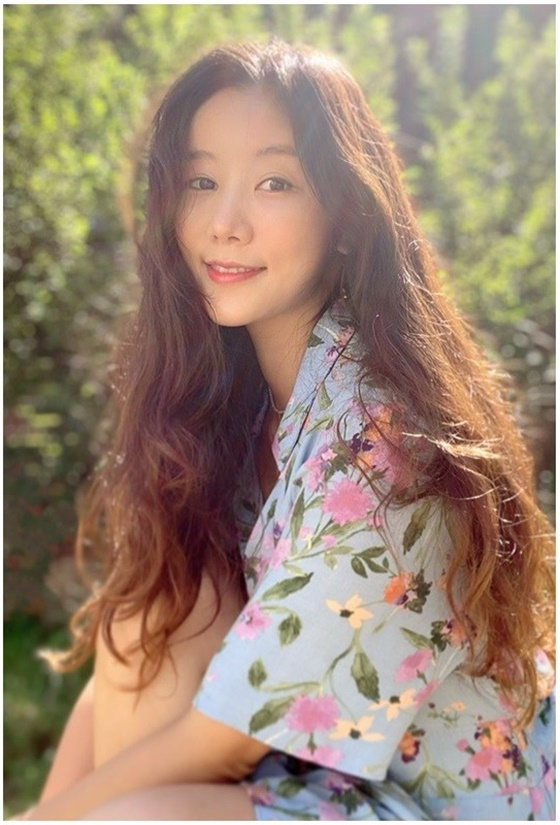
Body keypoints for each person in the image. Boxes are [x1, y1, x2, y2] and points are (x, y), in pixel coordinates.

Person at [18, 39, 554, 821]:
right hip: (324, 779)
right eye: (201, 180)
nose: (224, 223)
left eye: (275, 182)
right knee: (151, 611)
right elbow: (128, 682)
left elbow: (222, 744)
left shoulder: (385, 449)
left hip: (441, 809)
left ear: (346, 217)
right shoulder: (243, 399)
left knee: (138, 813)